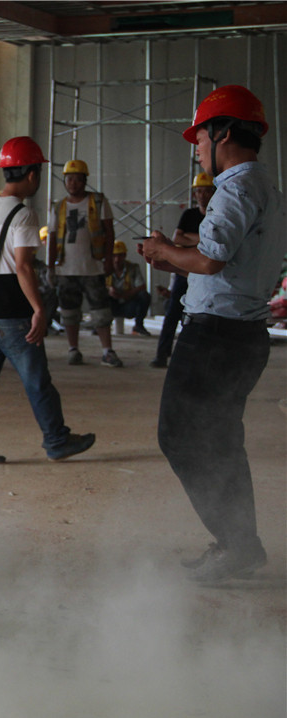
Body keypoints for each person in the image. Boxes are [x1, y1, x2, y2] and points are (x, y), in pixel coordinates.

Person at [139, 85, 284, 583]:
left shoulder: (235, 189)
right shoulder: (266, 188)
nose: (196, 148)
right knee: (221, 443)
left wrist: (164, 252)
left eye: (200, 137)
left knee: (180, 436)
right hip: (242, 336)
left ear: (223, 133)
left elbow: (210, 261)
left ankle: (237, 544)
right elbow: (224, 257)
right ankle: (239, 543)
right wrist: (179, 252)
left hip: (215, 339)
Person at [0, 136, 95, 465]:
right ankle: (56, 440)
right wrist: (38, 308)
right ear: (32, 174)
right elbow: (22, 266)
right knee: (37, 381)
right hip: (14, 315)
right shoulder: (24, 214)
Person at [48, 159, 122, 367]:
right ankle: (73, 349)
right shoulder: (58, 207)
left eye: (77, 179)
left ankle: (107, 351)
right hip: (66, 269)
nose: (73, 183)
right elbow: (52, 237)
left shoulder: (98, 202)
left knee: (101, 311)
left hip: (93, 267)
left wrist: (108, 259)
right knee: (69, 312)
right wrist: (51, 267)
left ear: (84, 181)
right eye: (69, 179)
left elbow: (109, 232)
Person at [150, 173, 214, 367]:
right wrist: (204, 240)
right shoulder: (189, 215)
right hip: (184, 268)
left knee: (206, 316)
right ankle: (162, 354)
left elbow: (215, 243)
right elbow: (178, 239)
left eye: (206, 191)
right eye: (198, 191)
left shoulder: (217, 216)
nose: (202, 195)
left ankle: (203, 358)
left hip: (206, 270)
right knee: (173, 312)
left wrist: (191, 238)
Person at [105, 241, 151, 335]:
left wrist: (126, 294)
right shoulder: (104, 268)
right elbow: (96, 286)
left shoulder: (133, 268)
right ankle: (101, 325)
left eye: (120, 255)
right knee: (98, 295)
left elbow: (141, 286)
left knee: (144, 295)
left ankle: (138, 325)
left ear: (125, 256)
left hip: (128, 304)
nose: (117, 259)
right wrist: (109, 290)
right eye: (114, 256)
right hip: (111, 304)